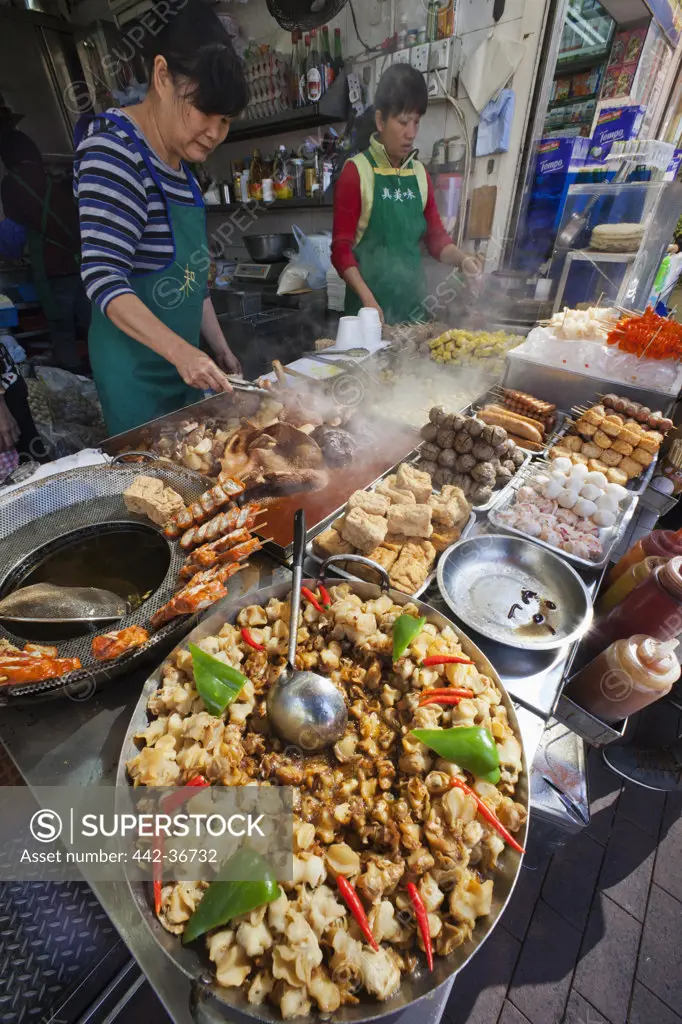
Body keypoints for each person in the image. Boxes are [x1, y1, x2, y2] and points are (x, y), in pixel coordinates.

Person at [73, 0, 245, 436]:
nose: (214, 132)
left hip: (184, 375)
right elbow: (103, 277)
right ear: (163, 76)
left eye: (224, 120)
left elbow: (193, 278)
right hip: (137, 384)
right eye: (204, 110)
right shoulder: (114, 153)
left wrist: (219, 349)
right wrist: (183, 354)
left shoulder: (184, 172)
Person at [332, 64, 479, 325]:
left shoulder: (419, 174)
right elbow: (340, 250)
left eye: (416, 122)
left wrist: (463, 259)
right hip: (367, 319)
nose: (411, 133)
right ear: (380, 120)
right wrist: (368, 301)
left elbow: (436, 239)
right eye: (402, 122)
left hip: (415, 315)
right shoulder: (357, 173)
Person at [0, 130, 91, 374]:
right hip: (81, 265)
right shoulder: (51, 180)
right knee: (92, 324)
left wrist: (10, 252)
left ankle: (73, 376)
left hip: (53, 272)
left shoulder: (13, 183)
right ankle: (100, 371)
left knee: (62, 330)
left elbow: (12, 235)